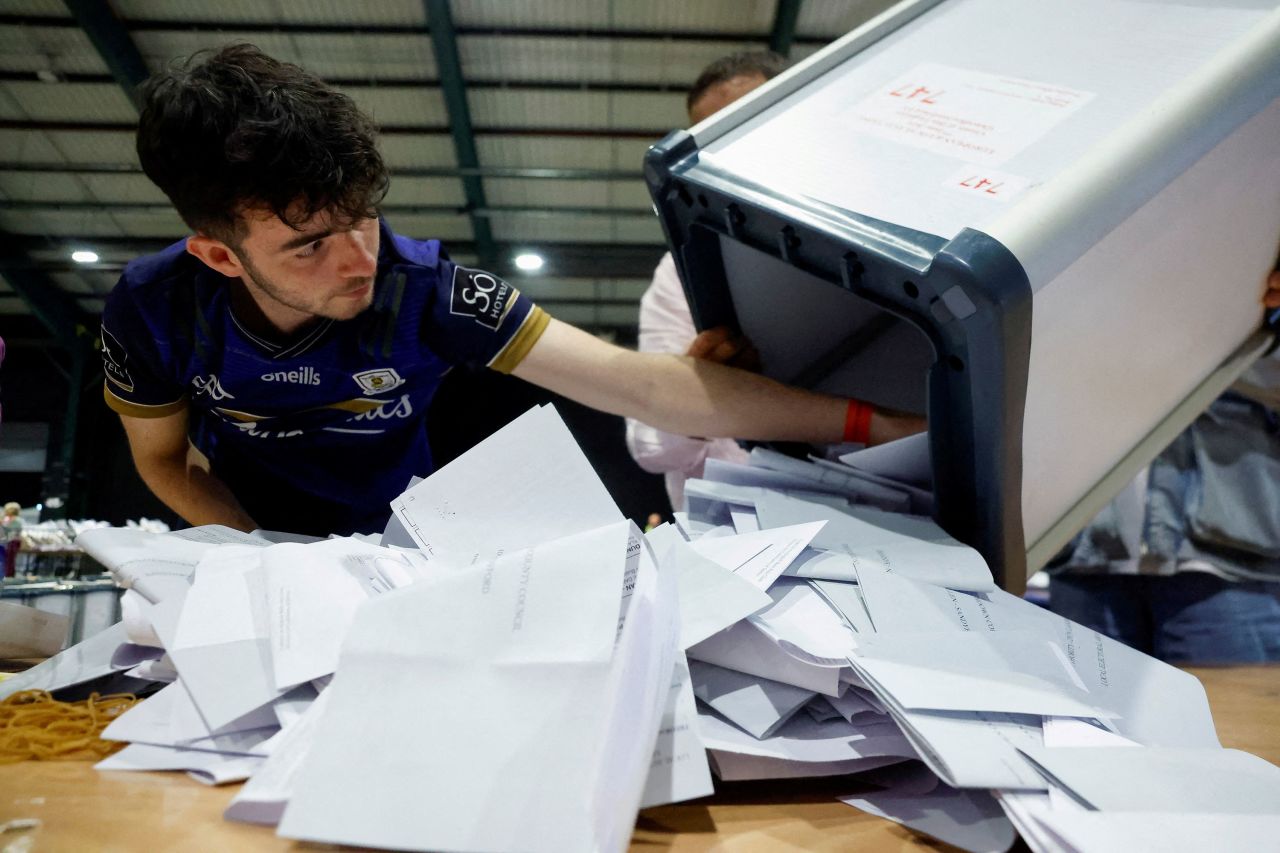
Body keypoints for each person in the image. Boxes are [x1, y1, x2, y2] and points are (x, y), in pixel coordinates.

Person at [100, 45, 923, 538]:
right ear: (217, 253)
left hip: (400, 534)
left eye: (365, 219)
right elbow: (168, 463)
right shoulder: (153, 309)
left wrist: (866, 421)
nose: (358, 261)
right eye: (311, 245)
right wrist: (256, 554)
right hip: (248, 532)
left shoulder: (429, 290)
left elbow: (651, 389)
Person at [1047, 269, 1280, 664]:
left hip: (1229, 564)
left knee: (1231, 723)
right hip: (1081, 554)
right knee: (1085, 724)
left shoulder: (1250, 244)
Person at [624, 52, 779, 510]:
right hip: (736, 533)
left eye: (750, 123)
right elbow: (651, 447)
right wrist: (698, 393)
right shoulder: (682, 272)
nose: (733, 152)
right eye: (713, 140)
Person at [2, 502, 23, 578]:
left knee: (10, 558)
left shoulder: (15, 520)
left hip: (13, 541)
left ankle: (9, 574)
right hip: (10, 541)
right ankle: (9, 573)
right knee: (9, 558)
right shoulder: (8, 519)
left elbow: (14, 531)